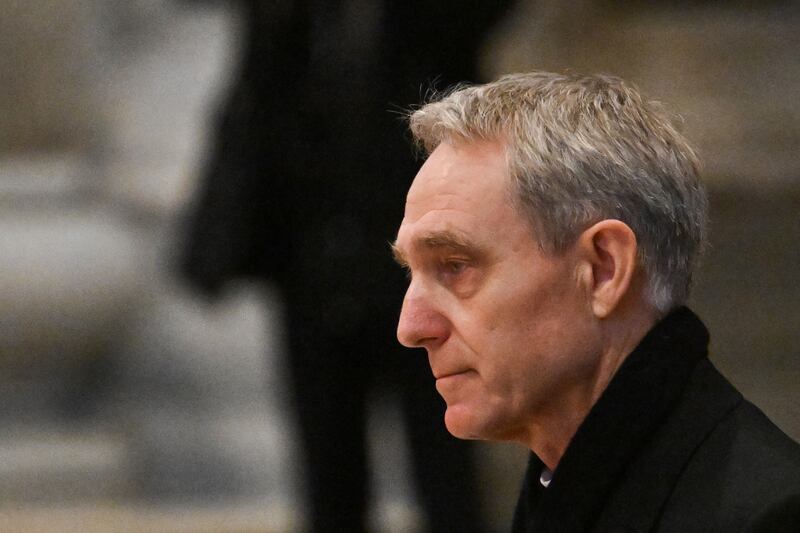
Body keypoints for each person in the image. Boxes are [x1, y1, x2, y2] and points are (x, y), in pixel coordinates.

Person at [392, 71, 800, 532]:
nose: (411, 327)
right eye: (411, 271)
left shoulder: (769, 518)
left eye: (455, 265)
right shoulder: (562, 489)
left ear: (605, 269)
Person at [180, 1, 514, 531]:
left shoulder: (426, 23)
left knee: (446, 460)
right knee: (328, 469)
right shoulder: (293, 18)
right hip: (309, 255)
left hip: (423, 257)